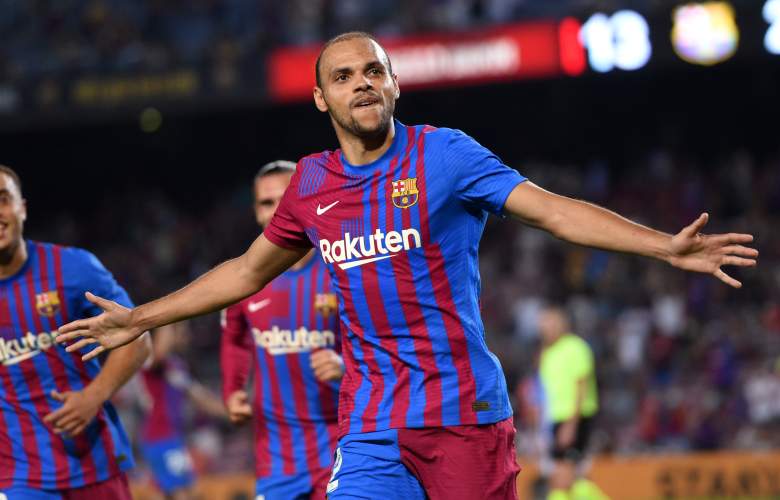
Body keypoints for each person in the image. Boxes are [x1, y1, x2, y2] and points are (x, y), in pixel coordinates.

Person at [55, 31, 758, 499]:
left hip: (464, 415)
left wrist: (663, 245)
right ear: (320, 97)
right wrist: (139, 317)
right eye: (344, 76)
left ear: (394, 85)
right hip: (372, 425)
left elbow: (550, 209)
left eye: (373, 71)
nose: (361, 84)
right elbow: (245, 272)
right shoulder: (310, 184)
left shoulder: (444, 155)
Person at [0, 164, 150, 499]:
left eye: (3, 199)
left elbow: (138, 337)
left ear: (22, 207)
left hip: (93, 462)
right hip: (17, 475)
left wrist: (94, 396)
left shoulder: (73, 268)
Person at [220, 160, 343, 500]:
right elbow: (234, 338)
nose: (276, 211)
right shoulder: (241, 280)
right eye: (265, 203)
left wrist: (344, 366)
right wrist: (232, 390)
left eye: (284, 198)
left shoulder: (340, 268)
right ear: (256, 211)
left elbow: (374, 343)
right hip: (276, 455)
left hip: (340, 444)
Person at [139, 321, 226, 500]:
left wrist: (232, 411)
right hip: (159, 436)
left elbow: (200, 397)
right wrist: (169, 319)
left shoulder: (177, 366)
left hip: (172, 437)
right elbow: (160, 351)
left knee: (168, 492)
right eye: (182, 331)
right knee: (183, 492)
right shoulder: (152, 361)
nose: (186, 336)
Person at [538, 306, 609, 500]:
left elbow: (581, 388)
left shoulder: (576, 347)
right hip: (556, 418)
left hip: (574, 418)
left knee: (564, 476)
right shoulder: (547, 354)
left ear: (562, 324)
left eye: (551, 324)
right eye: (544, 325)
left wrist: (571, 424)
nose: (547, 329)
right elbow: (546, 394)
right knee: (569, 477)